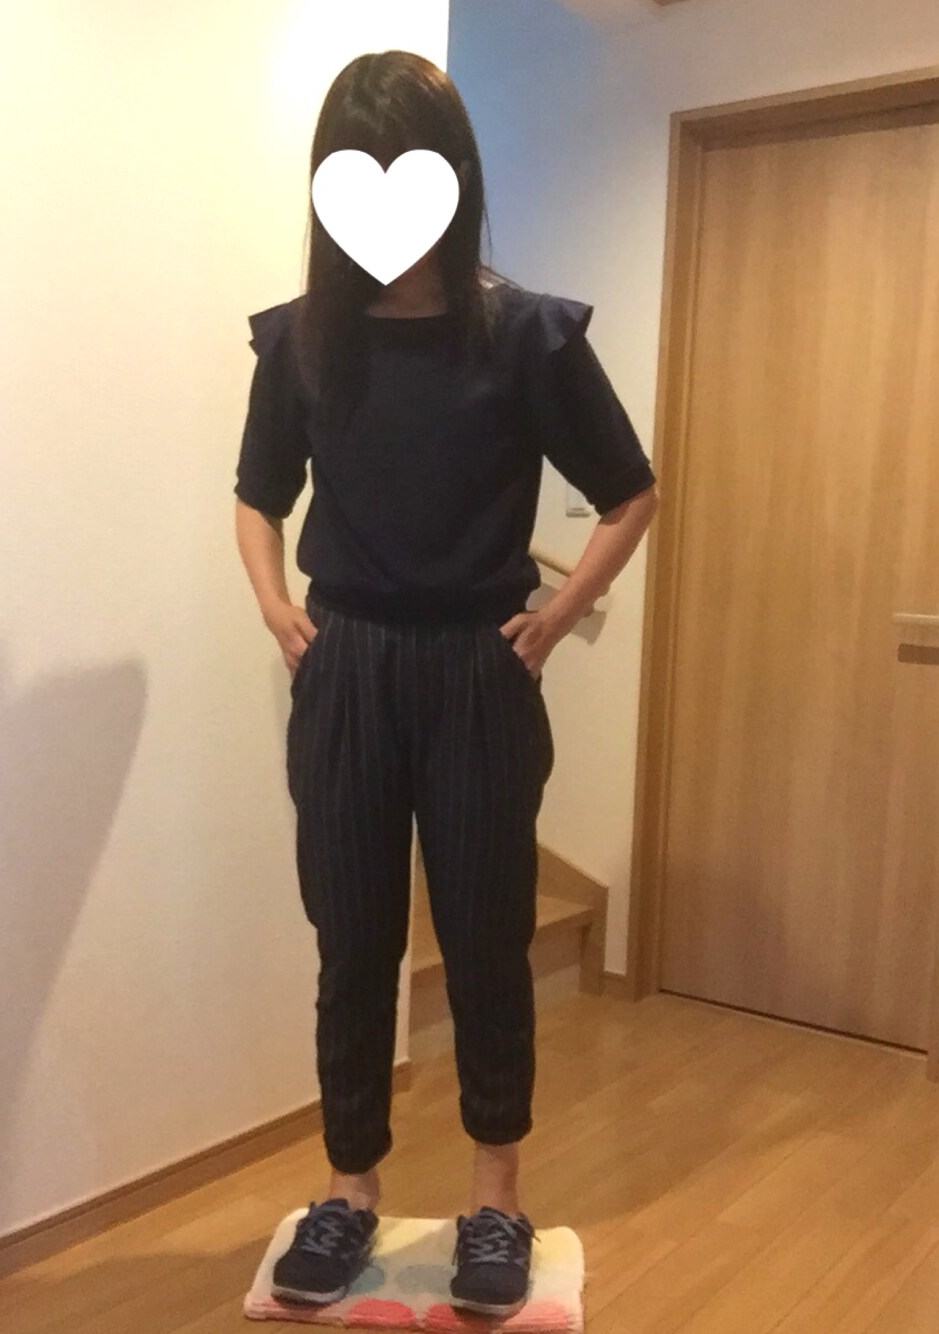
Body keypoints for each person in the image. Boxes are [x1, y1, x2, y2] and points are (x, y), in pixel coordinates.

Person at [233, 49, 659, 1319]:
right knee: (351, 939)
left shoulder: (525, 334)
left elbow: (629, 491)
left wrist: (554, 616)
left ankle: (495, 1199)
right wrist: (274, 604)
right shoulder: (302, 342)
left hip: (480, 664)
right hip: (347, 664)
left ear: (455, 180)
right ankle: (349, 1189)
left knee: (483, 938)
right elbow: (257, 496)